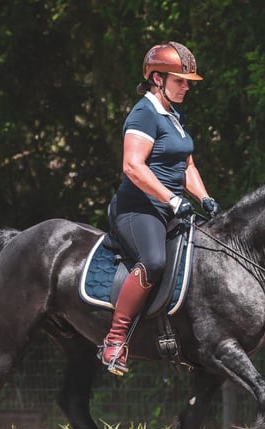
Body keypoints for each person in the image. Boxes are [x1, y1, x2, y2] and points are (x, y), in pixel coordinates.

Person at [99, 41, 220, 376]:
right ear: (156, 78)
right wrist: (171, 198)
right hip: (137, 209)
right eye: (179, 80)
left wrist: (204, 198)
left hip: (171, 208)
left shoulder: (174, 117)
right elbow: (133, 166)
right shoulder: (144, 113)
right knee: (153, 260)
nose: (186, 87)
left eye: (187, 82)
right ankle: (115, 339)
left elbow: (187, 166)